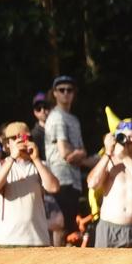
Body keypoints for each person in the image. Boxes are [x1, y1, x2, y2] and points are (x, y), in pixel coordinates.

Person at [0, 121, 60, 247]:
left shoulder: (40, 165)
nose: (20, 141)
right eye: (15, 138)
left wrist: (36, 159)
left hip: (38, 241)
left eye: (25, 138)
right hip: (8, 241)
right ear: (7, 144)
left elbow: (53, 187)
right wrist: (12, 158)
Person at [86, 120, 132, 247]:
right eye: (123, 136)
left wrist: (125, 158)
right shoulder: (109, 162)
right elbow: (92, 183)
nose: (128, 140)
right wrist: (108, 153)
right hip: (109, 230)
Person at [44, 74, 95, 244]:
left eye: (70, 90)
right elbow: (67, 153)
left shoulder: (73, 119)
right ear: (55, 93)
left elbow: (80, 153)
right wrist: (78, 154)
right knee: (61, 225)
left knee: (69, 229)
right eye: (61, 90)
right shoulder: (57, 117)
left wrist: (79, 155)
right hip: (60, 180)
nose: (66, 93)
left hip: (73, 180)